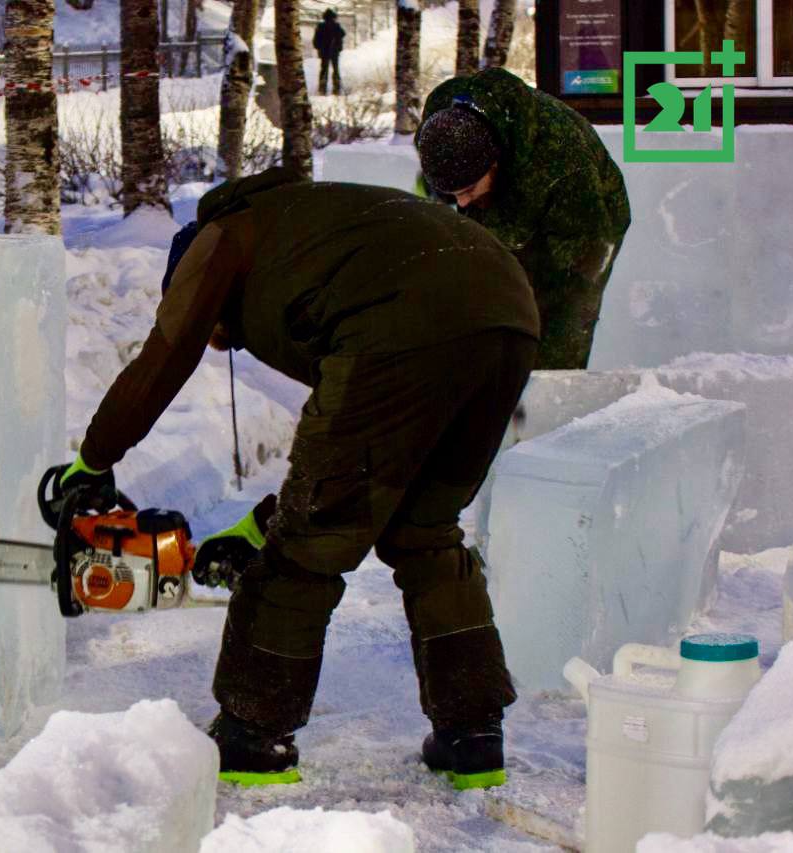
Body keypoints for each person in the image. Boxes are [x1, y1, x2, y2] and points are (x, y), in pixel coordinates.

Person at [54, 167, 541, 789]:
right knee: (424, 532)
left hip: (407, 323)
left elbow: (164, 357)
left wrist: (93, 461)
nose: (222, 344)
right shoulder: (314, 240)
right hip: (507, 315)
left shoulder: (221, 237)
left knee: (304, 554)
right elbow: (365, 454)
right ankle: (473, 735)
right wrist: (265, 521)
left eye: (218, 329)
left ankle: (252, 738)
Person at [415, 67, 631, 369]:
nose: (460, 202)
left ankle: (542, 397)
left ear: (495, 163)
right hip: (513, 198)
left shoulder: (563, 168)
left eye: (466, 189)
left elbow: (585, 261)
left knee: (555, 323)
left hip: (583, 225)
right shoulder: (441, 118)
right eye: (452, 193)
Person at [312, 9, 345, 95]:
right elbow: (342, 34)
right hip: (334, 51)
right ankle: (336, 87)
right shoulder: (336, 26)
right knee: (335, 69)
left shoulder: (321, 26)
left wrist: (319, 47)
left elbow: (315, 41)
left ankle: (322, 88)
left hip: (324, 52)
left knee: (324, 69)